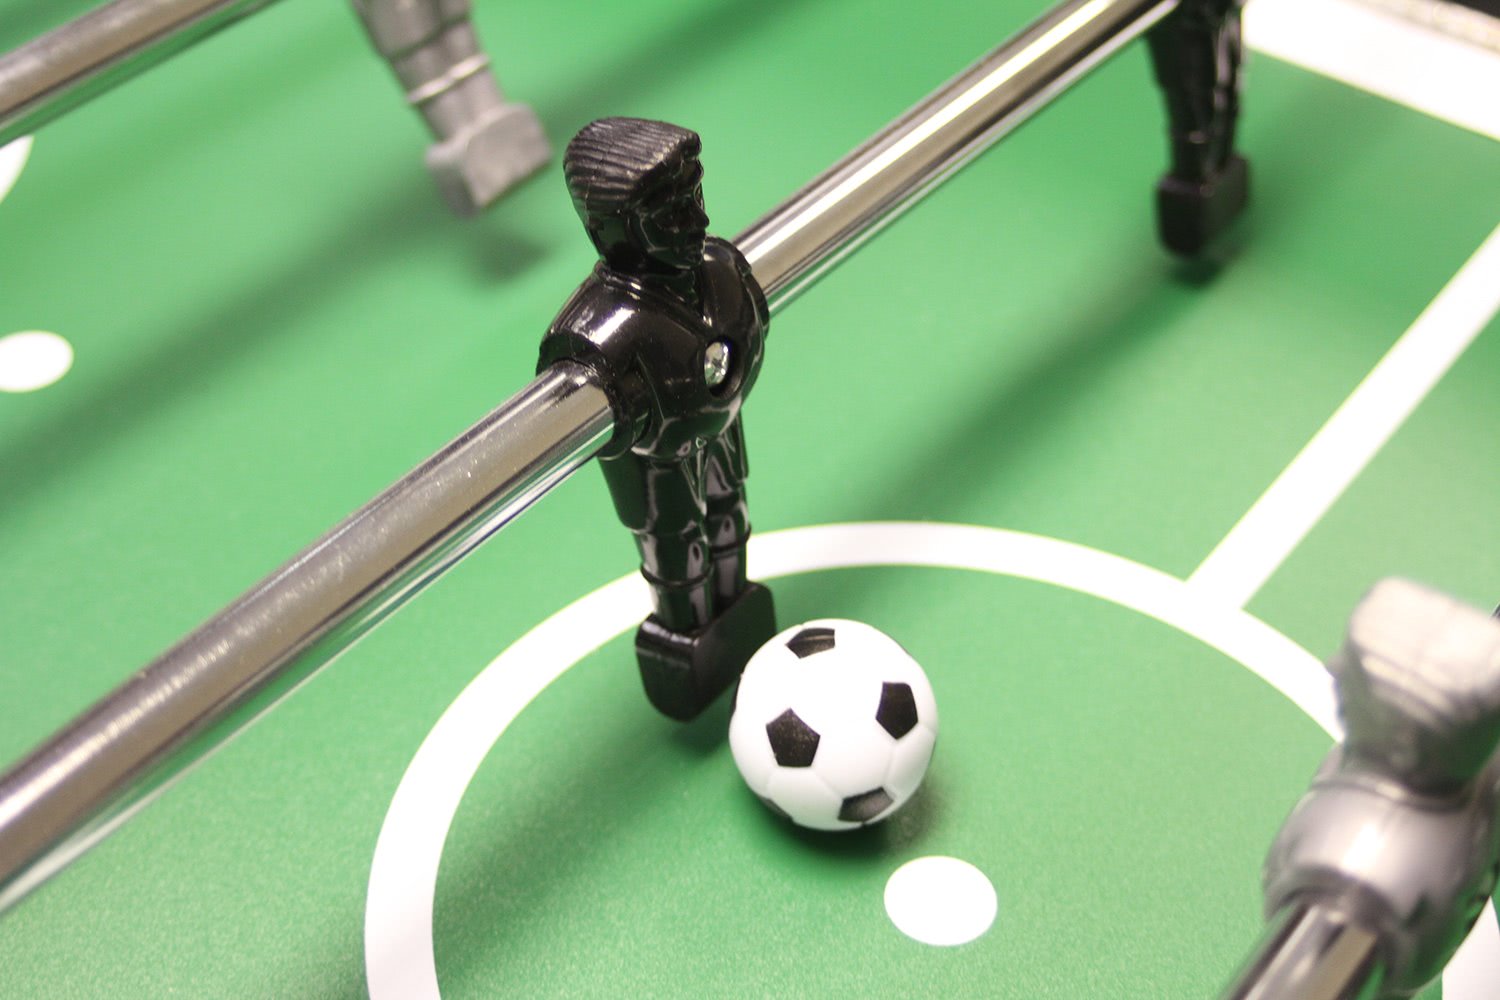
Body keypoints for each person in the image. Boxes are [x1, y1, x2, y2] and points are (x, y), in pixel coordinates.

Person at [539, 117, 776, 720]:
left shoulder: (723, 269)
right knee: (678, 557)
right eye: (668, 213)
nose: (696, 219)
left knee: (730, 519)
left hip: (718, 427)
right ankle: (686, 647)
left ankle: (737, 616)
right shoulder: (590, 336)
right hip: (657, 460)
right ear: (609, 231)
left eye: (693, 195)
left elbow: (751, 325)